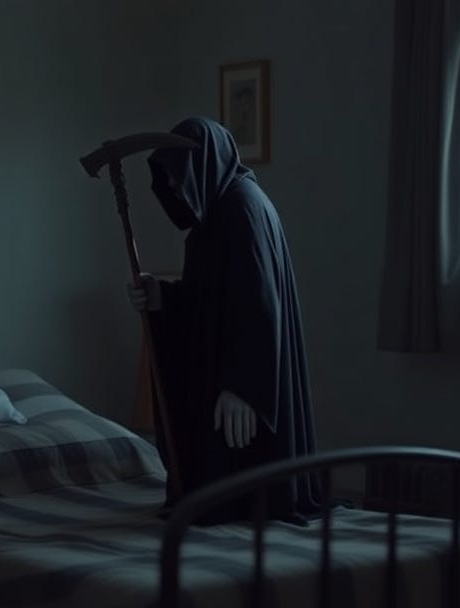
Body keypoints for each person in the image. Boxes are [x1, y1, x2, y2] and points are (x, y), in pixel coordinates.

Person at [127, 116, 319, 524]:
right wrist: (162, 296)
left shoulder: (241, 208)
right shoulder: (220, 212)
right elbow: (210, 299)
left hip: (239, 378)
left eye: (179, 173)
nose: (174, 186)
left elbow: (259, 302)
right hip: (230, 371)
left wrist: (243, 385)